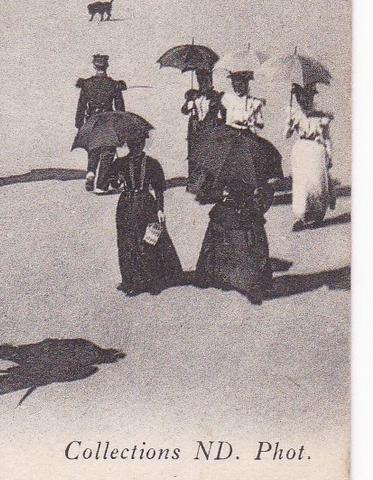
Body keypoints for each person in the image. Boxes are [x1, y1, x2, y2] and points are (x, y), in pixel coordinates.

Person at [109, 131, 184, 295]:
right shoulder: (119, 163)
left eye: (138, 144)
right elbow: (111, 183)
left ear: (142, 145)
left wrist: (159, 209)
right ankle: (132, 280)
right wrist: (117, 179)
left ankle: (151, 279)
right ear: (128, 145)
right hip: (128, 204)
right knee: (128, 241)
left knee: (149, 239)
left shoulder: (151, 164)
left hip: (143, 204)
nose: (135, 148)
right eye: (132, 145)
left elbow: (159, 188)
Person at [195, 182, 273, 304]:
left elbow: (265, 194)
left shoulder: (230, 169)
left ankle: (249, 282)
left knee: (245, 248)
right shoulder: (246, 170)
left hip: (242, 214)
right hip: (231, 213)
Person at [286, 84, 336, 230]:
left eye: (307, 97)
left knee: (316, 183)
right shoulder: (295, 114)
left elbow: (327, 138)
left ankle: (318, 214)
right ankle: (300, 216)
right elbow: (286, 135)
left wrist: (329, 155)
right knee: (301, 183)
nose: (304, 101)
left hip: (316, 150)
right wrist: (289, 125)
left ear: (312, 97)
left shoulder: (321, 116)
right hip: (301, 149)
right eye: (300, 98)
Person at [75, 54, 127, 192]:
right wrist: (121, 124)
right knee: (108, 151)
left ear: (94, 66)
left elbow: (81, 106)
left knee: (94, 146)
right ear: (107, 66)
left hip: (92, 119)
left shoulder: (86, 84)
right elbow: (120, 108)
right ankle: (101, 185)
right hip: (109, 119)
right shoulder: (114, 84)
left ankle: (91, 172)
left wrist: (79, 124)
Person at [182, 69, 227, 195]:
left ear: (210, 80)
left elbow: (224, 113)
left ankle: (211, 188)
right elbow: (184, 111)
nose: (203, 83)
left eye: (206, 80)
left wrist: (220, 123)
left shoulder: (216, 96)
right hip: (196, 131)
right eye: (200, 80)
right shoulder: (194, 95)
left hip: (210, 129)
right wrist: (189, 101)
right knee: (196, 158)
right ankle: (197, 186)